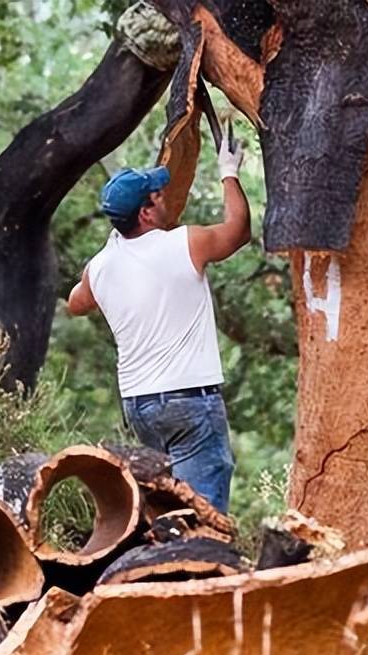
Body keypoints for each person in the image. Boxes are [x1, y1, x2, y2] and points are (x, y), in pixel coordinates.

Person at [66, 138, 250, 512]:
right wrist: (228, 173)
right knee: (203, 515)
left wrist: (112, 246)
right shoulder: (185, 244)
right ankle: (204, 566)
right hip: (189, 402)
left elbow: (76, 304)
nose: (165, 199)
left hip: (140, 407)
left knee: (167, 509)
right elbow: (239, 229)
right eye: (157, 196)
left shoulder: (99, 269)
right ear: (146, 214)